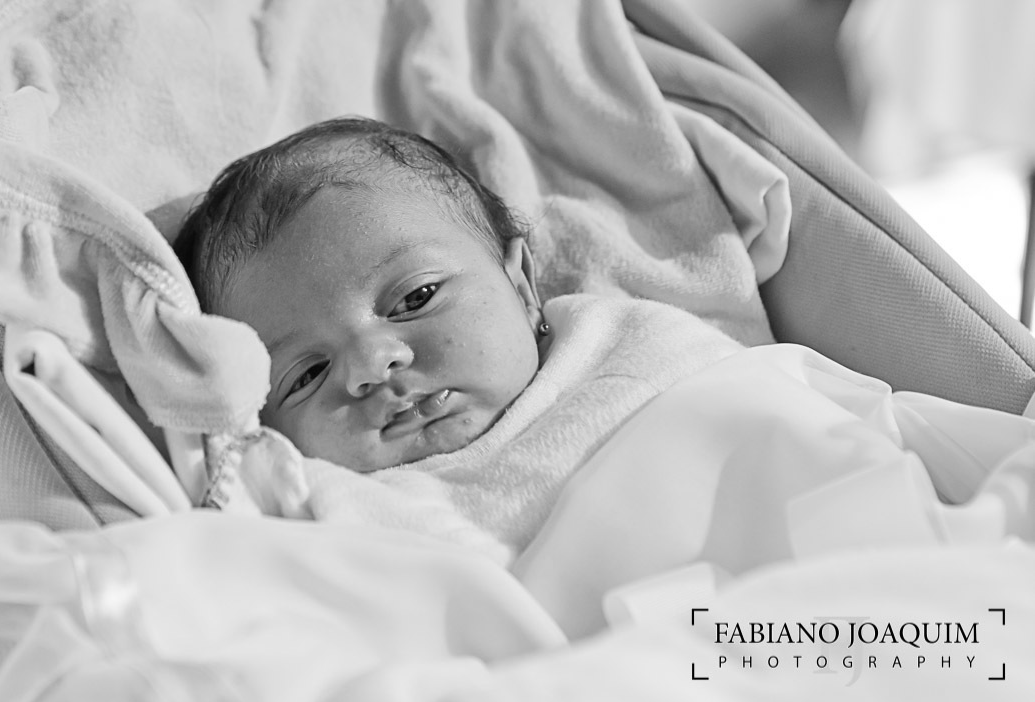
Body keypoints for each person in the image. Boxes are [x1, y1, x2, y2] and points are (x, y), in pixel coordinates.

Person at [175, 116, 746, 556]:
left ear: (521, 286)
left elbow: (759, 424)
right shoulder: (326, 506)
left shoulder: (624, 353)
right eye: (307, 374)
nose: (371, 365)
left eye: (415, 298)